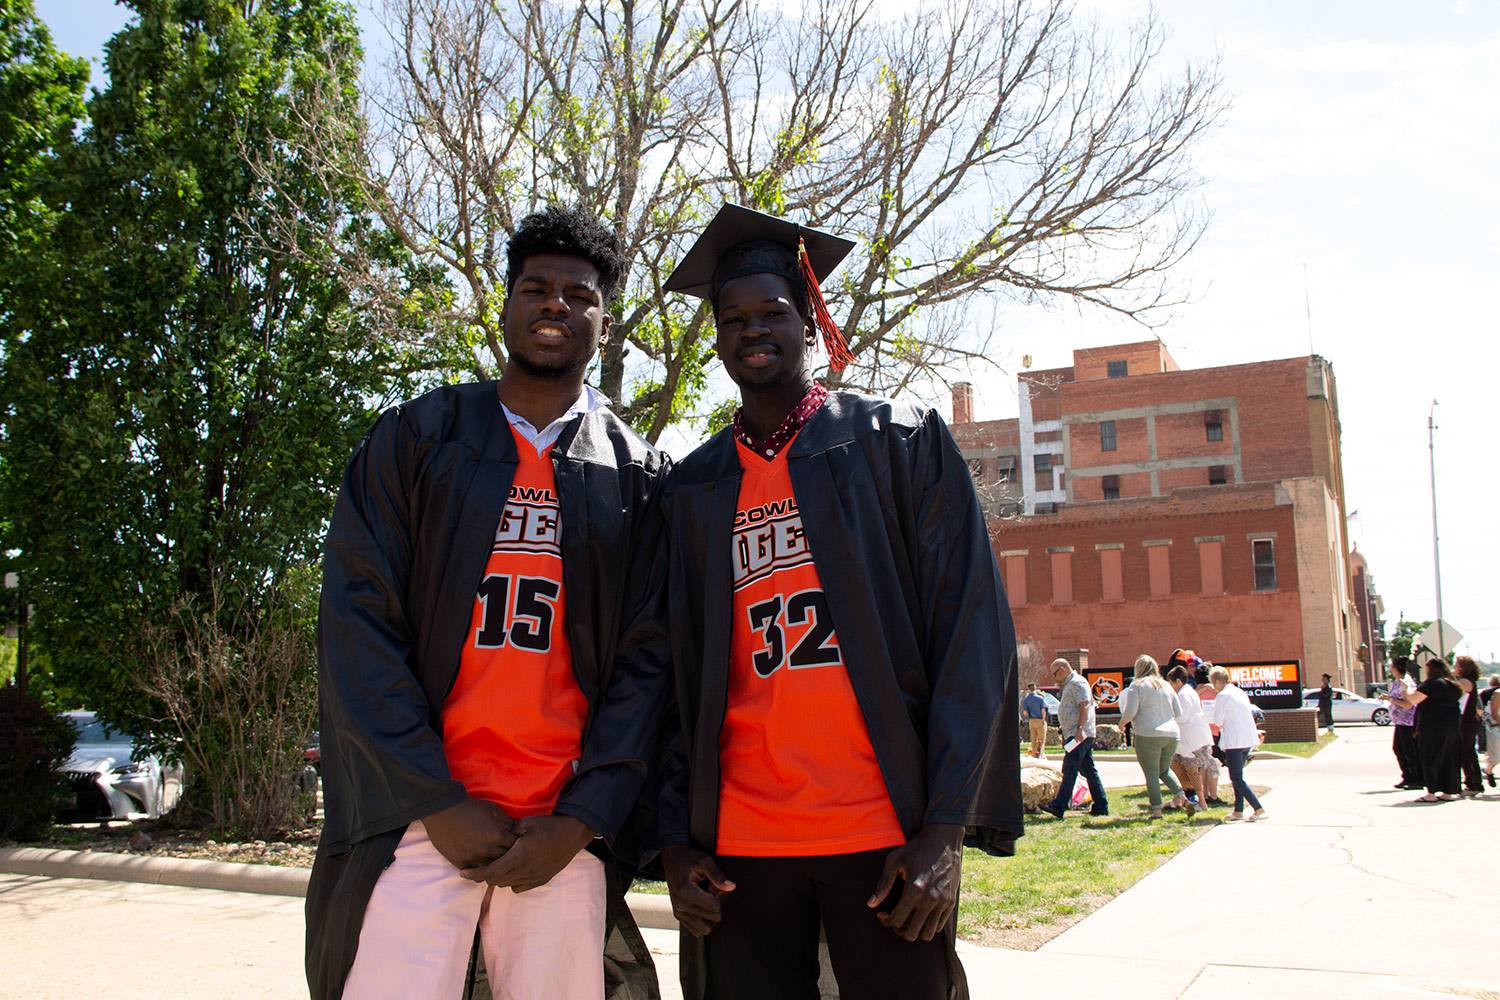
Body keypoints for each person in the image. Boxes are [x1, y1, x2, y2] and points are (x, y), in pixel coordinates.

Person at [654, 204, 1021, 1000]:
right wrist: (671, 843)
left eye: (773, 312)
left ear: (812, 322)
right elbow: (664, 677)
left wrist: (945, 827)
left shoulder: (898, 442)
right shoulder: (691, 489)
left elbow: (973, 632)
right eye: (732, 318)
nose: (752, 330)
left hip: (884, 838)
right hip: (739, 849)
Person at [306, 207, 670, 1000]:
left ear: (604, 326)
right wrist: (433, 798)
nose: (556, 306)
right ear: (504, 306)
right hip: (420, 818)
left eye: (579, 295)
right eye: (536, 288)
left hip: (557, 829)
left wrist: (581, 821)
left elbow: (651, 661)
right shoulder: (415, 440)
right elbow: (357, 624)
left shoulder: (639, 478)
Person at [1041, 658, 1110, 820]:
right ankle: (1101, 805)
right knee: (1088, 771)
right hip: (1076, 733)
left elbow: (1084, 705)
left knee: (1070, 769)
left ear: (1063, 669)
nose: (1055, 678)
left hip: (1080, 734)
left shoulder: (1077, 683)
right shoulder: (1071, 684)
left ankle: (1059, 806)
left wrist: (1079, 729)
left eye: (1055, 674)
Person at [1118, 655, 1186, 819]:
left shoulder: (1137, 685)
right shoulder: (1167, 686)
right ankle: (1182, 796)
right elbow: (1179, 713)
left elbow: (1130, 711)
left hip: (1147, 734)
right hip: (1172, 734)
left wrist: (1121, 724)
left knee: (1151, 774)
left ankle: (1157, 810)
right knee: (1164, 770)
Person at [1389, 659, 1462, 802]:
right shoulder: (1452, 684)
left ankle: (1432, 792)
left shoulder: (1433, 683)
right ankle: (1448, 790)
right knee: (1448, 757)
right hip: (1452, 724)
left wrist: (1406, 689)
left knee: (1430, 757)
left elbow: (1413, 699)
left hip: (1432, 725)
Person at [1208, 666, 1266, 822]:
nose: (1214, 687)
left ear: (1219, 681)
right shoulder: (1240, 692)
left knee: (1236, 777)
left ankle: (1258, 807)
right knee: (1238, 776)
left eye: (1214, 684)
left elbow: (1218, 721)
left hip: (1234, 741)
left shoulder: (1222, 696)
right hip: (1247, 739)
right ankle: (1238, 810)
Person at [1166, 664, 1213, 812]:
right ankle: (1179, 799)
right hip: (1195, 738)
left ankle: (1201, 803)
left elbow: (1183, 717)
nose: (1171, 686)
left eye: (1171, 683)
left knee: (1191, 771)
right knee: (1181, 768)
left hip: (1191, 740)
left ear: (1178, 681)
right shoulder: (1190, 692)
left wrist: (1170, 717)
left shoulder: (1183, 695)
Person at [1377, 657, 1421, 789]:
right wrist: (1388, 697)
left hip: (1408, 722)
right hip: (1400, 721)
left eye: (1392, 666)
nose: (1390, 668)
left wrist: (1390, 699)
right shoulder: (1397, 682)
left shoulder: (1406, 682)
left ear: (1397, 668)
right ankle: (1407, 776)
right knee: (1399, 749)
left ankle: (1415, 779)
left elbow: (1408, 704)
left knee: (1408, 751)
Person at [1454, 656, 1485, 796]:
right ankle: (1473, 782)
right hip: (1469, 720)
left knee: (1466, 752)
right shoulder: (1468, 681)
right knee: (1467, 751)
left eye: (1457, 665)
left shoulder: (1464, 682)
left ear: (1463, 668)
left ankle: (1474, 783)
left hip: (1467, 721)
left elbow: (1455, 695)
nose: (1454, 667)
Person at [1023, 683, 1049, 758]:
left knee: (1033, 739)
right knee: (1041, 739)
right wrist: (1043, 720)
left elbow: (1025, 713)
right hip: (1040, 719)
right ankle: (1040, 754)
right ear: (1035, 688)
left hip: (1031, 720)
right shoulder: (1040, 698)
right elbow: (1043, 710)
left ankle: (1034, 754)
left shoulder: (1026, 699)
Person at [1487, 678, 1500, 789]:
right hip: (1495, 728)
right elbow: (1494, 712)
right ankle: (1489, 771)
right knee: (1496, 758)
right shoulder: (1497, 693)